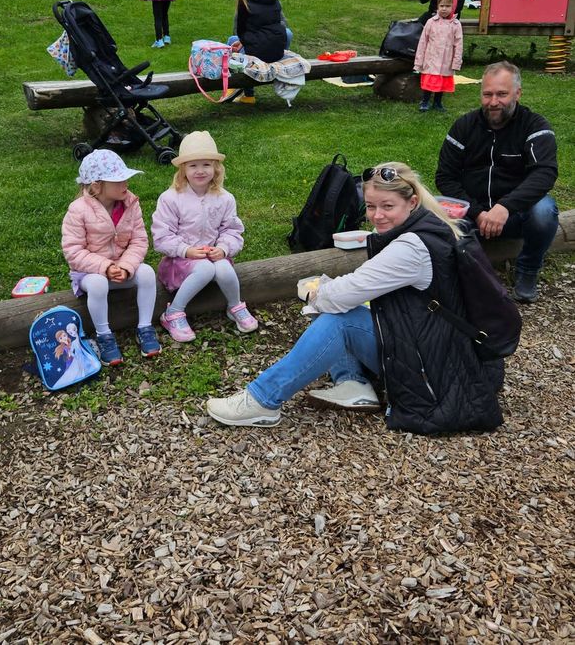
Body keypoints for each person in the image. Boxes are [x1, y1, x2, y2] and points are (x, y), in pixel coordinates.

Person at [206, 162, 504, 435]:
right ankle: (352, 383)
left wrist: (313, 292)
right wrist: (329, 293)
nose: (377, 215)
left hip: (436, 371)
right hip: (440, 348)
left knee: (337, 318)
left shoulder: (411, 248)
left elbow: (338, 297)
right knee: (344, 305)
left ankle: (262, 400)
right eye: (371, 206)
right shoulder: (426, 225)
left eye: (388, 206)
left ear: (412, 202)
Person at [435, 62, 558, 303]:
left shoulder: (535, 126)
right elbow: (445, 176)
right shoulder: (464, 126)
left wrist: (505, 207)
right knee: (433, 218)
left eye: (502, 94)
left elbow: (544, 173)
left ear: (517, 93)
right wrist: (477, 212)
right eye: (487, 94)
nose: (493, 102)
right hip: (472, 214)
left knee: (544, 211)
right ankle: (464, 276)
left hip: (516, 214)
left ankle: (528, 270)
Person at [152, 131, 257, 342]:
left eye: (206, 165)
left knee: (224, 268)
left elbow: (232, 230)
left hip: (212, 255)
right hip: (180, 260)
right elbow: (162, 236)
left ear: (216, 168)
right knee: (206, 268)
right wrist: (186, 250)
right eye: (193, 165)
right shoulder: (171, 199)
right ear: (183, 169)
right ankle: (173, 313)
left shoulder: (225, 198)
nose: (200, 171)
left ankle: (235, 305)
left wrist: (223, 249)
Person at [61, 149, 161, 366]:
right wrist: (105, 266)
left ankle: (145, 327)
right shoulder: (78, 210)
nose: (126, 183)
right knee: (98, 284)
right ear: (97, 186)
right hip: (90, 273)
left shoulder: (130, 203)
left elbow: (139, 240)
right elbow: (73, 251)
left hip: (122, 269)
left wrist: (126, 266)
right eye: (118, 180)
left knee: (146, 272)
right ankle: (104, 335)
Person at [226, 0, 289, 103]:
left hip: (258, 52)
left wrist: (242, 41)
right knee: (242, 42)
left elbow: (240, 29)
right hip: (277, 50)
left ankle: (238, 89)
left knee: (231, 42)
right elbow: (280, 21)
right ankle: (244, 93)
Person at [414, 0, 463, 112]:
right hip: (431, 59)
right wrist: (419, 61)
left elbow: (458, 45)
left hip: (446, 60)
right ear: (437, 6)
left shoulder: (456, 25)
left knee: (442, 81)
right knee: (429, 81)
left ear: (453, 7)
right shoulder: (431, 22)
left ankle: (437, 102)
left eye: (448, 6)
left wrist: (456, 62)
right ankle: (425, 101)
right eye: (441, 6)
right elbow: (423, 42)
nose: (444, 9)